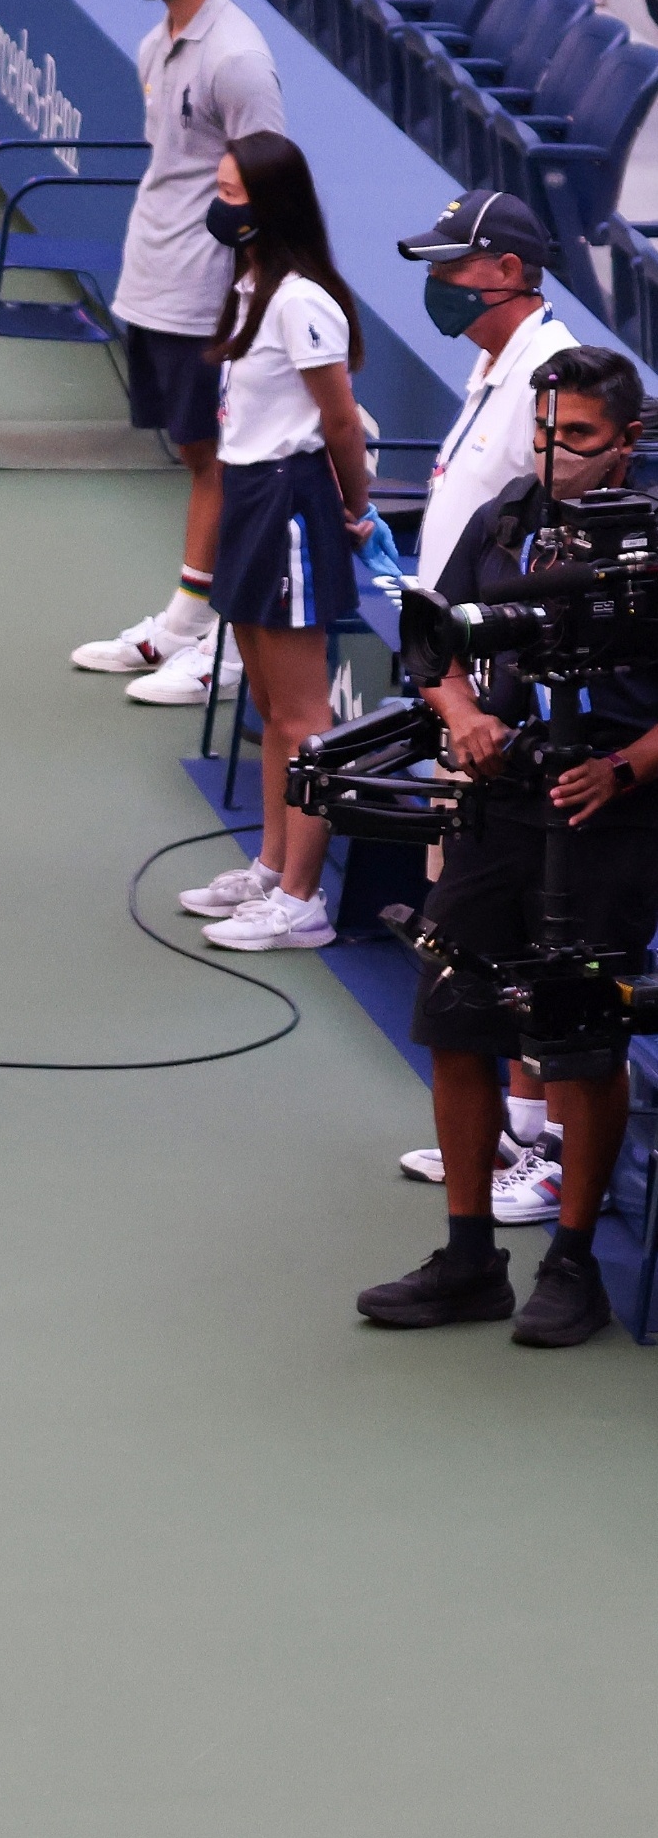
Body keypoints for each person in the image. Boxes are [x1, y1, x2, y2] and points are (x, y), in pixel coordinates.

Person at [355, 348, 658, 1348]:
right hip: (497, 805)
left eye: (576, 437)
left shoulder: (650, 543)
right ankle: (470, 1254)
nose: (554, 451)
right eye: (544, 430)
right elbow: (431, 641)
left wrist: (625, 768)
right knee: (455, 1019)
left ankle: (571, 1267)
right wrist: (463, 719)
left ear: (629, 440)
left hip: (606, 818)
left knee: (583, 1035)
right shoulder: (504, 523)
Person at [388, 189, 581, 1219]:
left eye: (454, 268)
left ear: (506, 271)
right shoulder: (494, 369)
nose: (440, 285)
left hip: (510, 707)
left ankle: (542, 1145)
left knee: (520, 926)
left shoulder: (550, 381)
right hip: (462, 687)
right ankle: (507, 1130)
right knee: (470, 928)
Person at [73, 0, 285, 709]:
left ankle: (225, 640)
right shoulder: (154, 43)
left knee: (224, 463)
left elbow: (267, 178)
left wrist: (250, 295)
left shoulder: (237, 60)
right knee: (198, 458)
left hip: (206, 292)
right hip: (154, 280)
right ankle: (186, 618)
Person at [173, 134, 371, 952]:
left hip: (291, 502)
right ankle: (269, 865)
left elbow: (338, 422)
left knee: (302, 715)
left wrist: (353, 510)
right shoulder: (251, 283)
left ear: (272, 204)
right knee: (264, 708)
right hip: (250, 497)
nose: (220, 206)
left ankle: (301, 902)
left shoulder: (301, 300)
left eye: (234, 193)